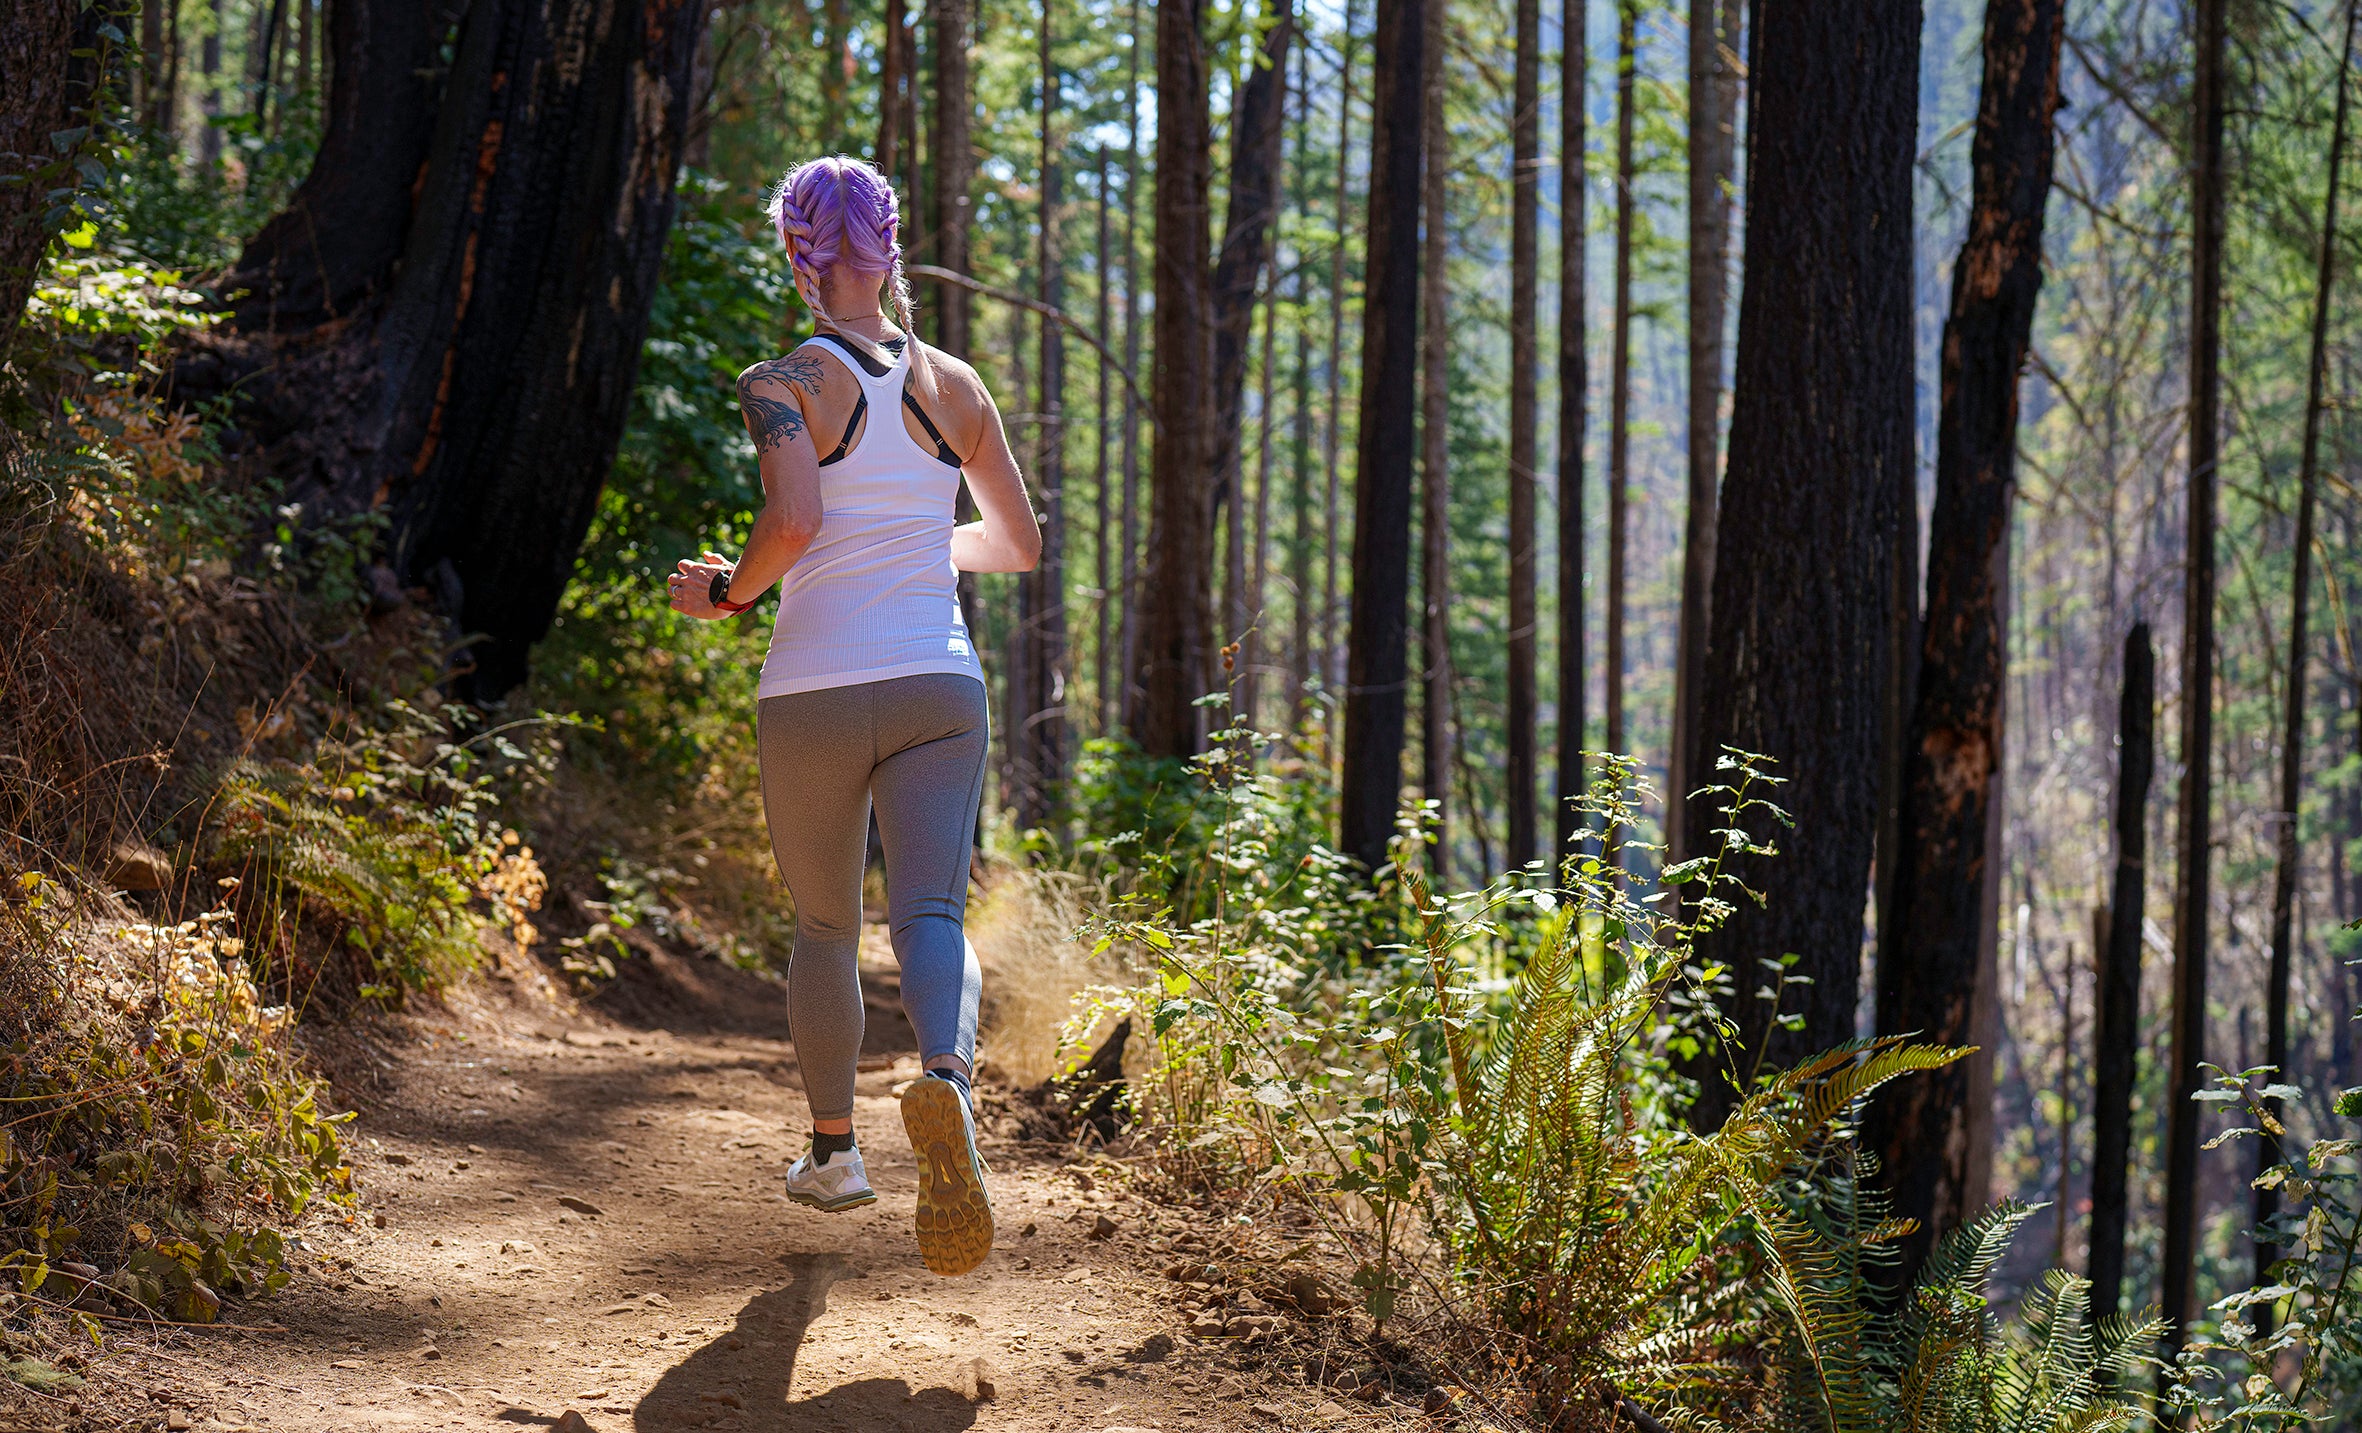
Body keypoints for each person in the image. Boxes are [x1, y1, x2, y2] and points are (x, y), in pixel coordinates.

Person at [666, 156, 1039, 1279]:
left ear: (796, 255)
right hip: (939, 681)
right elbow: (1017, 546)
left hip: (816, 687)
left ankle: (834, 1153)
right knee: (929, 909)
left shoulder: (783, 382)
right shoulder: (957, 384)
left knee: (826, 927)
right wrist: (925, 542)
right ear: (893, 246)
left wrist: (729, 588)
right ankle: (949, 1088)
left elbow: (797, 514)